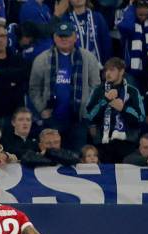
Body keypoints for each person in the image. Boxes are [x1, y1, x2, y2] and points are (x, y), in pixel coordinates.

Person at [29, 21, 101, 152]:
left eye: (67, 35)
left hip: (78, 119)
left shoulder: (88, 58)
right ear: (54, 37)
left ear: (75, 37)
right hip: (52, 119)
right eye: (60, 36)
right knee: (51, 156)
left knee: (77, 157)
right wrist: (42, 109)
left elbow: (96, 88)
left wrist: (86, 110)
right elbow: (34, 88)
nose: (64, 39)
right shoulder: (41, 59)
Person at [85, 57, 145, 163]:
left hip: (127, 144)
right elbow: (89, 116)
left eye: (112, 70)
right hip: (103, 144)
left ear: (121, 71)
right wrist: (105, 100)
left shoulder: (133, 91)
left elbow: (140, 119)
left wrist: (124, 109)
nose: (108, 73)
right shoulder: (98, 90)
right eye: (106, 70)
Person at [117, 0, 148, 93]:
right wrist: (132, 6)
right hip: (132, 71)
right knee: (134, 99)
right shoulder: (128, 20)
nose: (143, 17)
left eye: (146, 15)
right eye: (140, 15)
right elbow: (126, 27)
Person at [53, 0, 112, 66]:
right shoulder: (65, 20)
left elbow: (106, 44)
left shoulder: (98, 17)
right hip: (74, 68)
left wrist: (107, 66)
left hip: (97, 67)